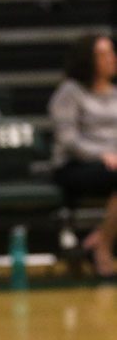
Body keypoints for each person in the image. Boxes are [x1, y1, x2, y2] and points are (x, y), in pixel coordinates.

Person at [48, 34, 117, 281]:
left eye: (112, 52)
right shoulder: (70, 92)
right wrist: (102, 155)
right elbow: (68, 139)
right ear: (88, 59)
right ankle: (103, 248)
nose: (111, 58)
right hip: (74, 165)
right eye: (103, 54)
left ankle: (100, 236)